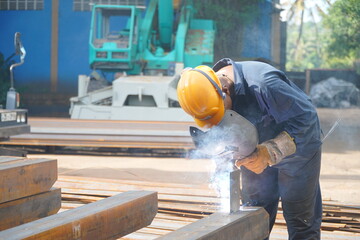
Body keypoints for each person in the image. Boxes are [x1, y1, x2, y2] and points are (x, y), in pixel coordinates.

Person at [177, 58, 322, 240]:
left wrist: (271, 150)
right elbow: (223, 127)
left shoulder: (264, 84)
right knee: (254, 216)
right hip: (255, 150)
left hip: (298, 153)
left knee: (300, 220)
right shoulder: (207, 92)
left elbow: (307, 120)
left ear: (225, 90)